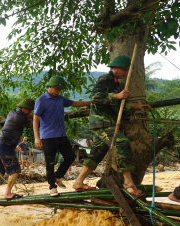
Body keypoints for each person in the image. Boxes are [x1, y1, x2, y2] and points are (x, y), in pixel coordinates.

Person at [72, 56, 151, 196]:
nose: (126, 72)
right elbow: (95, 98)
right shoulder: (104, 79)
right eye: (124, 69)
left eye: (127, 70)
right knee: (122, 143)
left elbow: (118, 104)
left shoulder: (115, 83)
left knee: (97, 153)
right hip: (102, 122)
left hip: (109, 122)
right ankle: (128, 183)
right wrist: (116, 95)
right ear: (114, 68)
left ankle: (78, 181)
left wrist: (135, 107)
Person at [33, 75, 92, 196]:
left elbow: (74, 103)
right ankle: (52, 187)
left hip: (61, 135)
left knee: (70, 156)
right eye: (57, 89)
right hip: (47, 137)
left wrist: (91, 102)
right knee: (50, 163)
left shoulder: (60, 99)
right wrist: (36, 137)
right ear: (50, 87)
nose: (58, 91)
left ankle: (57, 176)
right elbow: (35, 119)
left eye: (60, 89)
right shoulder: (41, 100)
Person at [0, 99, 34, 200]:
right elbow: (33, 121)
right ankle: (8, 193)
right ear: (24, 108)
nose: (31, 112)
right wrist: (42, 115)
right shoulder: (21, 118)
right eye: (30, 110)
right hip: (6, 145)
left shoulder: (12, 112)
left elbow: (29, 116)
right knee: (15, 170)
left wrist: (34, 115)